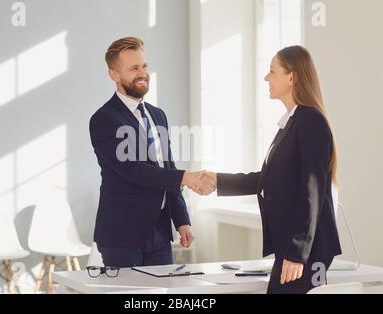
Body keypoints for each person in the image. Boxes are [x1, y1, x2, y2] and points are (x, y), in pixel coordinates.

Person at [200, 46, 342, 294]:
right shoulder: (292, 122)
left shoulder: (310, 121)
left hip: (307, 251)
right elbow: (269, 179)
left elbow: (313, 189)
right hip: (293, 246)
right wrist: (218, 181)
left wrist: (297, 253)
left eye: (272, 71)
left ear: (292, 77)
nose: (266, 78)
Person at [89, 37, 215, 268]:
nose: (143, 73)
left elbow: (167, 168)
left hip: (159, 233)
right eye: (134, 68)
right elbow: (134, 171)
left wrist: (182, 221)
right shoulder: (104, 119)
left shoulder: (158, 115)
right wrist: (186, 177)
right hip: (122, 236)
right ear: (114, 75)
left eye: (145, 66)